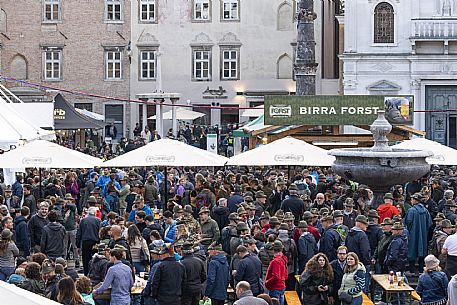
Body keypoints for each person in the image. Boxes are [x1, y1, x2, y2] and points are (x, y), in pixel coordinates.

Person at [405, 193, 432, 274]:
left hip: (412, 235)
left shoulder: (411, 211)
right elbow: (429, 223)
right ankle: (420, 270)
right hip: (423, 235)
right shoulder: (426, 211)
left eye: (412, 199)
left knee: (412, 250)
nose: (411, 200)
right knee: (422, 251)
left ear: (415, 200)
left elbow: (408, 223)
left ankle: (412, 270)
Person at [345, 215, 370, 293]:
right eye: (365, 224)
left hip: (351, 264)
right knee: (362, 288)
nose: (366, 227)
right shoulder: (362, 235)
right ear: (361, 224)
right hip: (361, 265)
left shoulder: (349, 234)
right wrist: (368, 263)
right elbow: (365, 251)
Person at [180, 241, 207, 305]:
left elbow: (180, 279)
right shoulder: (199, 261)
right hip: (197, 289)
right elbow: (204, 276)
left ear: (183, 252)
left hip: (186, 291)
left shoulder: (181, 263)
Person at [77, 207, 101, 275]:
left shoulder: (83, 220)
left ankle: (86, 273)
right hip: (95, 242)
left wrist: (78, 245)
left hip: (85, 242)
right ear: (95, 213)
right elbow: (100, 232)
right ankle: (94, 273)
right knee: (95, 259)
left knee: (85, 259)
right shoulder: (98, 221)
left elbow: (79, 233)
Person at [265, 240, 288, 305]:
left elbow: (276, 276)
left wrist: (267, 282)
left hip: (275, 288)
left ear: (273, 250)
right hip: (282, 286)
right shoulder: (283, 258)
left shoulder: (275, 261)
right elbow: (286, 275)